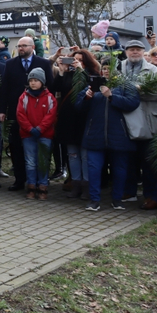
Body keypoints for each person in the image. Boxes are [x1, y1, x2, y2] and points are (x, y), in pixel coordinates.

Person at [75, 60, 140, 211]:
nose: (106, 71)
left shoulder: (125, 85)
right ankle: (94, 200)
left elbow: (133, 103)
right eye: (103, 68)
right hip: (95, 135)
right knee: (94, 168)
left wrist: (111, 96)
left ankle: (117, 199)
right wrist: (86, 98)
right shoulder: (93, 86)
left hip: (119, 135)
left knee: (119, 169)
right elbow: (78, 106)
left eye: (109, 68)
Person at [0, 37, 54, 192]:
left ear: (32, 47)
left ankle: (40, 180)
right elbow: (5, 88)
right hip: (17, 112)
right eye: (19, 46)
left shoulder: (43, 63)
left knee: (38, 150)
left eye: (23, 46)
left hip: (39, 112)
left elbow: (50, 83)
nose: (20, 48)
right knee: (16, 147)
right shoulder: (10, 64)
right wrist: (2, 110)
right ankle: (20, 180)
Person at [116, 39, 157, 203]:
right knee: (128, 160)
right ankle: (129, 191)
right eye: (131, 49)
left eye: (138, 49)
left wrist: (136, 92)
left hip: (146, 119)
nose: (134, 52)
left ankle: (150, 195)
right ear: (126, 52)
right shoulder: (119, 67)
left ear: (143, 52)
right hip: (125, 120)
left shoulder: (152, 69)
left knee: (147, 161)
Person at [55, 49, 100, 200]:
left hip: (85, 118)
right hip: (68, 119)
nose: (77, 62)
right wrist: (62, 71)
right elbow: (57, 88)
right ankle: (76, 184)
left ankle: (87, 186)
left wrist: (82, 71)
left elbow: (93, 88)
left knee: (85, 155)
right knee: (72, 154)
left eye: (81, 60)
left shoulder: (92, 73)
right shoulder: (68, 74)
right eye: (75, 59)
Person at [15, 68, 57, 200]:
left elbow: (51, 116)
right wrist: (30, 128)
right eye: (31, 81)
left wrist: (40, 129)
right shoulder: (24, 97)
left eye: (36, 80)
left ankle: (43, 186)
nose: (33, 83)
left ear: (42, 82)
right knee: (30, 162)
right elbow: (20, 115)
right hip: (28, 135)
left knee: (43, 161)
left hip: (45, 135)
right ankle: (31, 186)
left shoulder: (50, 98)